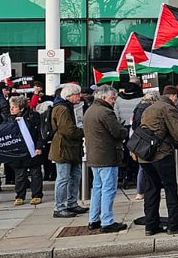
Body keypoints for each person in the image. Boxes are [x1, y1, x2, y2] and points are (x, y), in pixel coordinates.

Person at [138, 86, 178, 236]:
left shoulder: (149, 108)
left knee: (151, 190)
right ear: (174, 97)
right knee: (170, 188)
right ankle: (173, 224)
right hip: (161, 155)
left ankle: (151, 226)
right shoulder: (168, 108)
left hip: (145, 156)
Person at [84, 86, 127, 233]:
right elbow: (117, 132)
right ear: (103, 98)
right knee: (108, 189)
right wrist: (125, 130)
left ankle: (93, 219)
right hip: (107, 155)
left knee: (97, 188)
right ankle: (107, 221)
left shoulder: (90, 110)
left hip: (94, 155)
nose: (114, 101)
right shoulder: (106, 112)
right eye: (112, 98)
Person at [49, 84, 88, 218]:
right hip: (63, 147)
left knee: (75, 176)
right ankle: (59, 207)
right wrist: (84, 132)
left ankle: (72, 203)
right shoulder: (62, 109)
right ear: (69, 96)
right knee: (63, 178)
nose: (80, 96)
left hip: (71, 147)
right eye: (77, 94)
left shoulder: (68, 107)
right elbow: (68, 130)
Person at [8, 96, 45, 206]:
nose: (11, 109)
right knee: (19, 174)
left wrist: (39, 146)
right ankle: (19, 196)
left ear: (21, 108)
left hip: (33, 148)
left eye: (14, 107)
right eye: (11, 107)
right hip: (19, 151)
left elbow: (40, 132)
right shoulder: (10, 119)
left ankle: (37, 195)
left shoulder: (33, 116)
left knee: (35, 173)